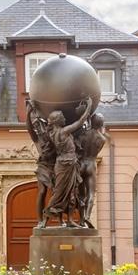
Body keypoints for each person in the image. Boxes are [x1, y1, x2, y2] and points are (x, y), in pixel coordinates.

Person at [43, 97, 93, 227]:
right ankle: (45, 217)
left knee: (72, 193)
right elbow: (81, 121)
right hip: (66, 164)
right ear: (58, 121)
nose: (65, 119)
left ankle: (70, 220)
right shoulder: (63, 131)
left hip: (67, 164)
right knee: (59, 193)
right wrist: (89, 106)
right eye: (62, 118)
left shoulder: (52, 133)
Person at [26, 101, 55, 227]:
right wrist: (28, 113)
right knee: (42, 191)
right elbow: (29, 128)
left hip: (55, 167)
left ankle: (59, 219)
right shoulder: (37, 139)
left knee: (56, 193)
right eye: (37, 126)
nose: (38, 128)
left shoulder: (53, 136)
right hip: (43, 167)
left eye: (40, 125)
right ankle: (40, 220)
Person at [75, 112, 106, 228]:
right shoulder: (102, 139)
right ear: (101, 124)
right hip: (91, 164)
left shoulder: (82, 135)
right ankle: (87, 216)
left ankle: (82, 219)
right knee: (91, 193)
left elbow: (78, 148)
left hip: (81, 163)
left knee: (80, 193)